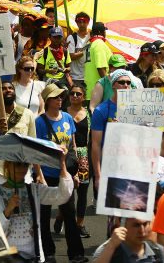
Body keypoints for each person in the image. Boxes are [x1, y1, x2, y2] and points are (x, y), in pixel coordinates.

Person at [0, 153, 74, 262]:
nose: (22, 168)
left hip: (33, 256)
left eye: (25, 165)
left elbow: (62, 195)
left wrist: (62, 165)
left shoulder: (34, 190)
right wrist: (8, 210)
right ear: (7, 166)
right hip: (6, 257)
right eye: (17, 164)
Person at [34, 84, 84, 263]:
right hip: (46, 174)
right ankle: (47, 252)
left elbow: (73, 145)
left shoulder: (68, 118)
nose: (60, 99)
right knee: (44, 215)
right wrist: (38, 174)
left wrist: (76, 171)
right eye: (56, 97)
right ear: (48, 101)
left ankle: (76, 254)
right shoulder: (39, 122)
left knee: (69, 214)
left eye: (61, 96)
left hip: (65, 174)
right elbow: (36, 151)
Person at [65, 81, 92, 239]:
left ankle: (80, 223)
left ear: (84, 97)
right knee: (67, 192)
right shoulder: (63, 112)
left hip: (83, 156)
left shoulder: (89, 114)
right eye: (72, 93)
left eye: (78, 94)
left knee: (82, 192)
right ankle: (64, 217)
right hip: (66, 155)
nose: (74, 96)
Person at [93, 217, 164, 263]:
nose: (142, 231)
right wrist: (111, 247)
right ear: (122, 226)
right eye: (136, 225)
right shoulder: (106, 251)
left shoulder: (157, 251)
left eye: (145, 224)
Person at [84, 22, 112, 97]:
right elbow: (101, 68)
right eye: (104, 31)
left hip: (90, 89)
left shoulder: (90, 44)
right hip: (99, 92)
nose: (105, 33)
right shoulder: (99, 44)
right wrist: (109, 88)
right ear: (101, 32)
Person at [67, 13, 90, 93]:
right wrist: (86, 49)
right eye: (79, 22)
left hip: (89, 76)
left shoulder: (91, 37)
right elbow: (71, 56)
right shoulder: (72, 37)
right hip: (76, 78)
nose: (82, 24)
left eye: (84, 22)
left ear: (88, 22)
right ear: (76, 22)